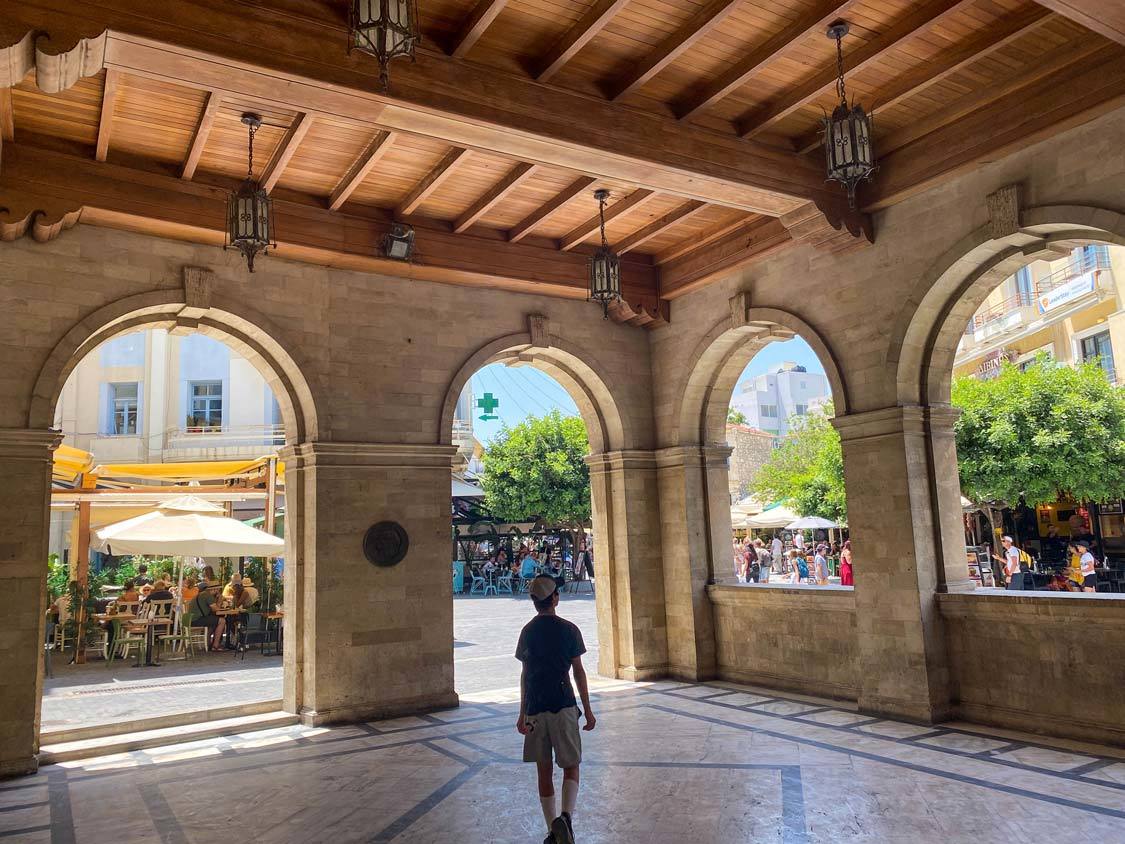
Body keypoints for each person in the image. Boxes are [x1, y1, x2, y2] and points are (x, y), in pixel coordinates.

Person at [516, 575, 595, 844]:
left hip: (536, 707)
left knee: (544, 770)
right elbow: (579, 673)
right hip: (563, 705)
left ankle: (552, 830)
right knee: (571, 765)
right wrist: (588, 709)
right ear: (555, 599)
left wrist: (521, 713)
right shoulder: (569, 630)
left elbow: (525, 675)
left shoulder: (527, 632)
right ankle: (566, 818)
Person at [189, 582, 227, 652]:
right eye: (218, 590)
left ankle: (209, 643)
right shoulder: (208, 595)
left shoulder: (202, 594)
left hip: (191, 619)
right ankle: (215, 646)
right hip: (197, 619)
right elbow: (216, 609)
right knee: (222, 621)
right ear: (215, 589)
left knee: (213, 622)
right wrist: (220, 600)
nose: (218, 591)